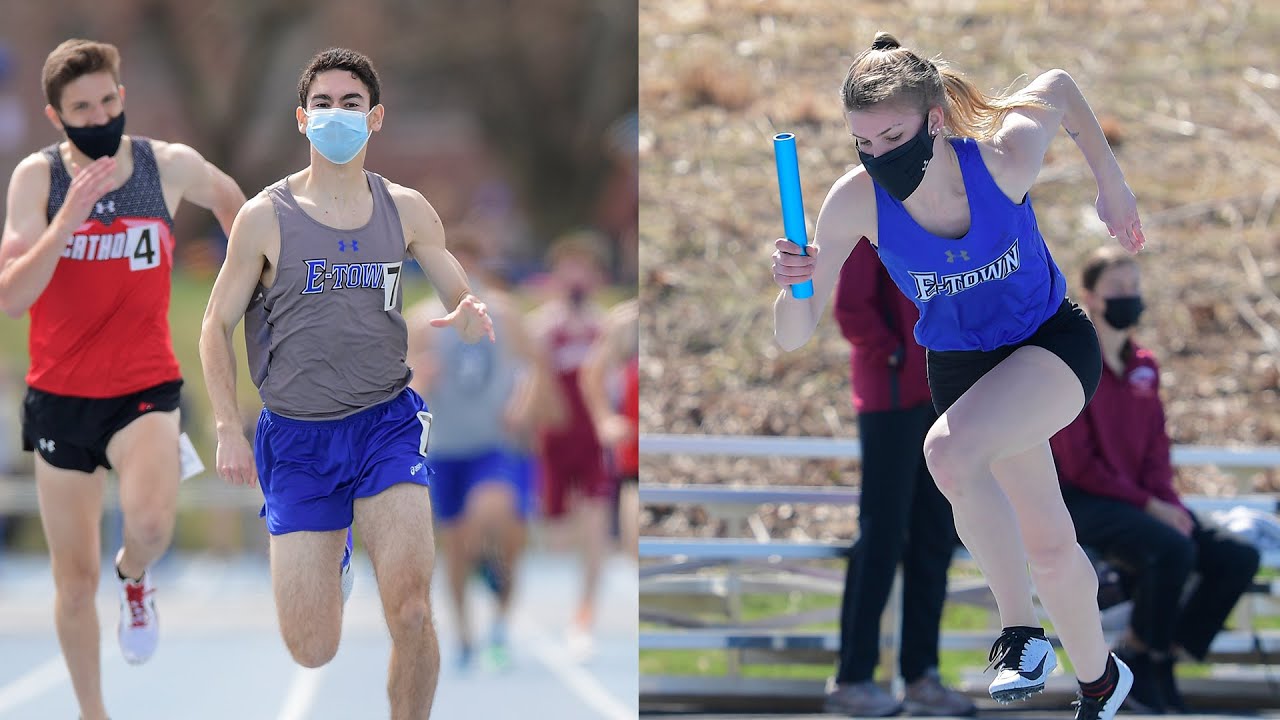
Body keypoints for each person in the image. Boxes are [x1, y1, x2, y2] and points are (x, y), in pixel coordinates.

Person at [770, 32, 1145, 720]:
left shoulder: (1002, 160)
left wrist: (1112, 186)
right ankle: (1100, 683)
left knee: (945, 450)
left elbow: (1058, 83)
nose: (879, 156)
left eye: (892, 135)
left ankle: (1020, 634)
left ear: (934, 121)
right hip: (964, 368)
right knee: (1051, 545)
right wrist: (793, 283)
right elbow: (794, 337)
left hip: (1050, 343)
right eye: (864, 143)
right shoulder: (855, 201)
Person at [199, 48, 492, 719]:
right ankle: (334, 556)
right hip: (297, 439)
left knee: (413, 610)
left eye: (351, 104)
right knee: (311, 649)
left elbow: (458, 294)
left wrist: (470, 317)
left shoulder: (408, 210)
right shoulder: (265, 217)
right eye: (324, 105)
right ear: (303, 120)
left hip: (384, 424)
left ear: (375, 117)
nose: (338, 115)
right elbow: (214, 327)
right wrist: (225, 429)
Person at [0, 39, 245, 720]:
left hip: (144, 388)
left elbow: (234, 203)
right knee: (73, 584)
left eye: (109, 101)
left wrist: (246, 284)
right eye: (83, 108)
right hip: (60, 398)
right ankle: (93, 712)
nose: (99, 115)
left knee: (151, 525)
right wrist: (65, 225)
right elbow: (12, 297)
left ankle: (135, 577)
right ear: (57, 115)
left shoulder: (164, 166)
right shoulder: (36, 180)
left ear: (122, 97)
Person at [1051, 247, 1261, 714]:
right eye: (1118, 289)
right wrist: (1153, 509)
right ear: (1091, 296)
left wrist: (1170, 505)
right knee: (1172, 548)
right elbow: (1080, 465)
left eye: (1135, 288)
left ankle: (1157, 651)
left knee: (1236, 556)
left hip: (1142, 499)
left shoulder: (1145, 364)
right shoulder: (1070, 363)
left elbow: (1156, 451)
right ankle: (1143, 664)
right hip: (1085, 502)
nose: (1130, 297)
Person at [825, 238, 973, 717]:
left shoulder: (941, 212)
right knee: (882, 537)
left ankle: (921, 676)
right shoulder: (870, 219)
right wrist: (897, 356)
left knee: (934, 537)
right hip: (891, 402)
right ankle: (852, 678)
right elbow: (851, 309)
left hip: (942, 401)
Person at [406, 229, 552, 672]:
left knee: (493, 514)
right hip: (447, 448)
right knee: (455, 545)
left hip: (495, 443)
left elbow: (535, 369)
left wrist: (521, 406)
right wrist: (420, 382)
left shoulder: (503, 312)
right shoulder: (420, 319)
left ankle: (500, 620)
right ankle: (466, 632)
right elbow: (406, 382)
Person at [529, 232, 613, 657]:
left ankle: (585, 615)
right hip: (555, 442)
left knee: (595, 528)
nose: (577, 277)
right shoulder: (543, 328)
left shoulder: (606, 328)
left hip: (593, 443)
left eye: (585, 269)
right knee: (557, 539)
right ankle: (549, 611)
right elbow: (532, 388)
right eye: (569, 269)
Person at [579, 296, 639, 560]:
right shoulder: (628, 321)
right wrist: (605, 419)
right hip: (632, 457)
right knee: (632, 546)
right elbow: (592, 371)